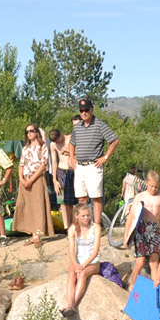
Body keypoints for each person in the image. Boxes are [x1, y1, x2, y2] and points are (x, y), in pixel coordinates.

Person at [70, 98, 121, 228]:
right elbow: (72, 143)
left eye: (86, 110)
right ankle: (83, 225)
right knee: (81, 198)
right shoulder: (78, 127)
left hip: (94, 165)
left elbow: (114, 140)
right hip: (80, 166)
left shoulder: (99, 124)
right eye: (81, 110)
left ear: (92, 109)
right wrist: (72, 158)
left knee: (96, 197)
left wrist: (105, 157)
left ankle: (97, 225)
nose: (84, 113)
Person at [126, 171, 160, 285]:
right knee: (140, 261)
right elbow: (131, 216)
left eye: (156, 187)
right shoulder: (140, 196)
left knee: (154, 261)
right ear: (146, 183)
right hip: (142, 229)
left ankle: (155, 287)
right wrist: (126, 236)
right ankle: (133, 285)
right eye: (151, 186)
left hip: (155, 229)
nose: (154, 189)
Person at [13, 124, 53, 245]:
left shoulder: (43, 146)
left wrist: (32, 180)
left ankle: (38, 235)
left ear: (37, 132)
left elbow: (43, 164)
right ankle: (32, 234)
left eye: (31, 131)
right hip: (25, 179)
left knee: (38, 206)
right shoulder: (25, 148)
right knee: (26, 206)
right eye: (27, 132)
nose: (29, 133)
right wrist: (22, 179)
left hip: (37, 179)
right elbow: (21, 165)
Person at [59, 209, 101, 318]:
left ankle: (71, 305)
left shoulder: (96, 227)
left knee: (82, 274)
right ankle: (70, 305)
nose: (86, 218)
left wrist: (84, 265)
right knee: (71, 272)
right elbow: (71, 251)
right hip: (78, 260)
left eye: (87, 215)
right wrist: (76, 264)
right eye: (83, 216)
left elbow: (95, 251)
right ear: (76, 216)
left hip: (92, 261)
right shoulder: (72, 229)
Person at [50, 126, 77, 230]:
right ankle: (67, 226)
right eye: (56, 141)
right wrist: (54, 179)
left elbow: (79, 153)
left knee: (74, 201)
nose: (58, 142)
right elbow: (54, 161)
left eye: (59, 140)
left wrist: (68, 151)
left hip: (72, 170)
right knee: (62, 201)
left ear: (61, 134)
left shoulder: (70, 138)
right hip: (61, 171)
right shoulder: (53, 145)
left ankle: (75, 224)